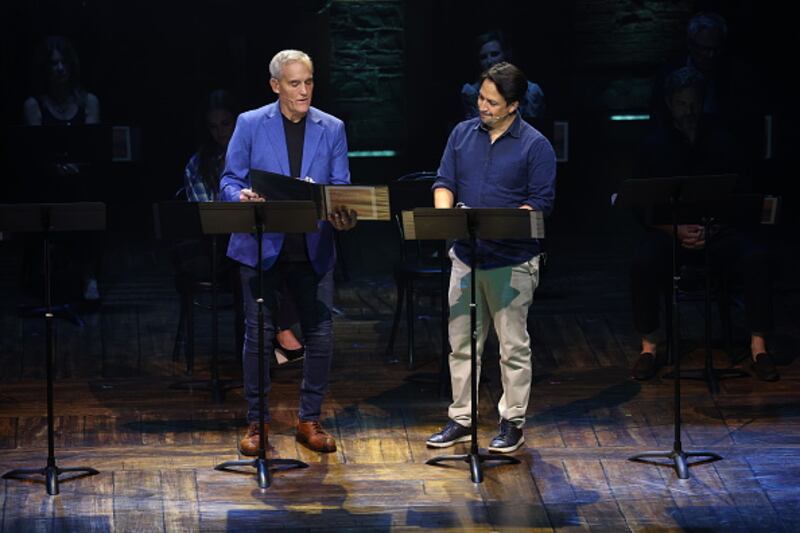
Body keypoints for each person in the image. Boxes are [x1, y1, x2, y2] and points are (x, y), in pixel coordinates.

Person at [220, 49, 357, 456]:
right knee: (259, 336)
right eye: (295, 83)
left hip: (312, 247)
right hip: (262, 244)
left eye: (309, 82)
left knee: (320, 335)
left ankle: (309, 419)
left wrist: (342, 213)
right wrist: (240, 197)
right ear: (275, 85)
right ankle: (257, 423)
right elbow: (229, 180)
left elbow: (340, 187)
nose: (303, 91)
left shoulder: (332, 127)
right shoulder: (250, 123)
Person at [427, 62, 556, 453]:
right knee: (462, 344)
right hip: (467, 257)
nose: (482, 106)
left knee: (512, 347)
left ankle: (512, 421)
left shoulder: (535, 145)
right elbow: (444, 181)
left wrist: (497, 225)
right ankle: (461, 417)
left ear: (513, 105)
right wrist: (445, 219)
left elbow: (539, 205)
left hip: (511, 260)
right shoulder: (462, 134)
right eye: (481, 98)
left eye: (492, 102)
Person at [630, 66, 779, 382]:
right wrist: (675, 230)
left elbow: (741, 194)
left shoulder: (723, 140)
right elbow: (641, 205)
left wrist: (713, 228)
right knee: (642, 260)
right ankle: (649, 347)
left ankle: (759, 346)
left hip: (717, 231)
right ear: (669, 104)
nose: (689, 111)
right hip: (671, 233)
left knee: (757, 256)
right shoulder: (654, 143)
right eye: (682, 104)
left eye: (694, 103)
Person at [182, 90, 305, 364]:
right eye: (213, 127)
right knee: (252, 261)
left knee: (289, 252)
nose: (220, 132)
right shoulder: (199, 164)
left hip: (257, 233)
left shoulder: (258, 153)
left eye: (226, 124)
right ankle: (277, 335)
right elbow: (207, 216)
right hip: (218, 245)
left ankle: (273, 335)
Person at [22, 35, 102, 301]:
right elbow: (34, 152)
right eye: (53, 64)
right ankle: (43, 273)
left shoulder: (88, 102)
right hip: (47, 182)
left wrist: (75, 166)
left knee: (87, 195)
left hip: (81, 179)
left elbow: (93, 147)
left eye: (63, 62)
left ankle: (89, 276)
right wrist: (55, 168)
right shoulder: (34, 105)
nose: (59, 69)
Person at [460, 30, 545, 122]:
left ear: (506, 55)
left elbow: (534, 126)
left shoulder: (530, 92)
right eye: (483, 57)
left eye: (494, 54)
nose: (489, 61)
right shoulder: (472, 93)